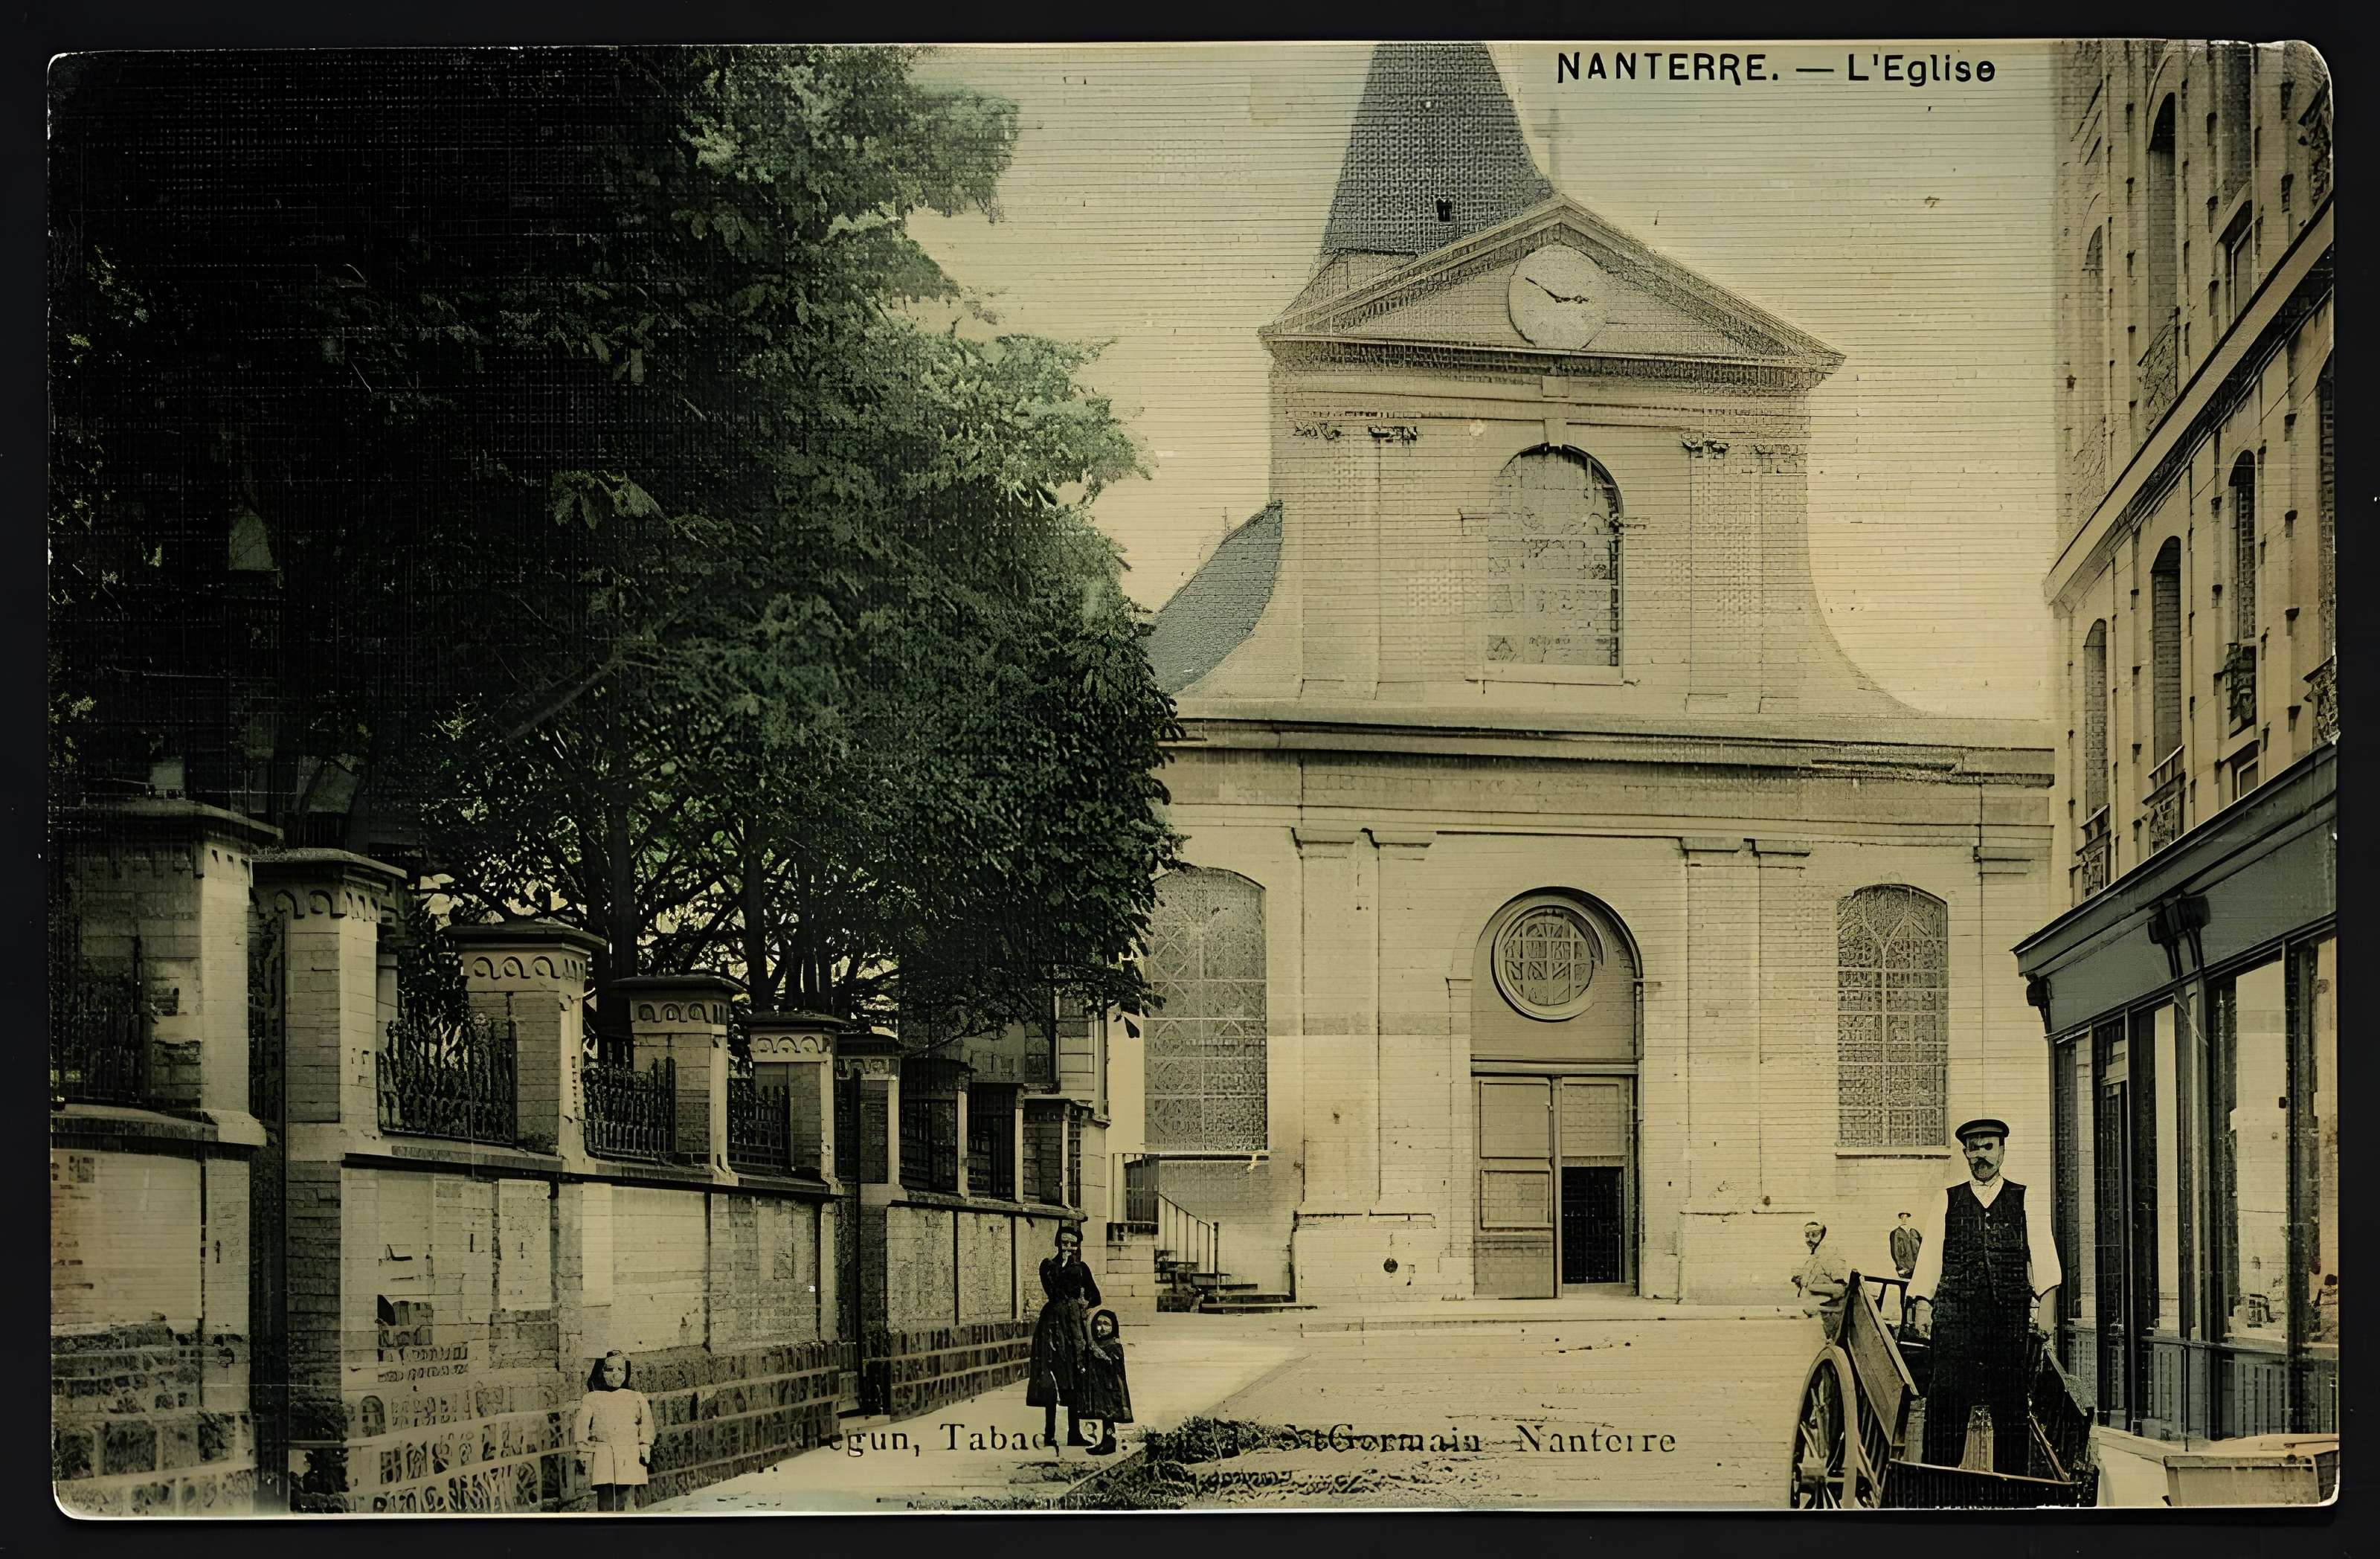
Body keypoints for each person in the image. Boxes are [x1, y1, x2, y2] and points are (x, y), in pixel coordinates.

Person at [1908, 1118, 2062, 1476]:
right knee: (1946, 1403)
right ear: (1965, 1153)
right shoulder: (1947, 1199)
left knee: (2011, 1408)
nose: (1981, 1155)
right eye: (1973, 1148)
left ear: (2003, 1151)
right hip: (1956, 1319)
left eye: (1988, 1146)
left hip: (2007, 1321)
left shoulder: (2025, 1198)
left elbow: (2044, 1256)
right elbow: (1930, 1255)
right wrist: (1922, 1304)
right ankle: (1940, 1491)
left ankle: (2012, 1496)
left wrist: (2047, 1312)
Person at [1026, 1224, 1101, 1456]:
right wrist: (1064, 1265)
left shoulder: (1083, 1268)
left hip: (1073, 1328)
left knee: (1075, 1375)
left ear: (1078, 1245)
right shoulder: (1049, 1266)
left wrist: (1083, 1306)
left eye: (1073, 1243)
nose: (1068, 1247)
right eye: (1064, 1242)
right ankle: (1049, 1433)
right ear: (1058, 1243)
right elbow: (1052, 1288)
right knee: (1049, 1374)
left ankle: (1074, 1432)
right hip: (1051, 1324)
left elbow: (1095, 1296)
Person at [573, 1351, 653, 1511]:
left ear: (627, 1372)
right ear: (601, 1372)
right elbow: (582, 1426)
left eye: (620, 1370)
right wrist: (582, 1451)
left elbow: (646, 1423)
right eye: (609, 1370)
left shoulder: (636, 1397)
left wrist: (645, 1444)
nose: (615, 1375)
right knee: (606, 1499)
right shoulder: (592, 1398)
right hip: (604, 1454)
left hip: (629, 1452)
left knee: (627, 1497)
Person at [1077, 1308, 1135, 1456]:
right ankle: (1105, 1441)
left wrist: (1097, 1351)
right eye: (1098, 1324)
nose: (1101, 1328)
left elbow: (1111, 1362)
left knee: (1110, 1416)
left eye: (1106, 1324)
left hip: (1111, 1387)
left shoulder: (1114, 1346)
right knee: (1104, 1416)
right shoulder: (1099, 1344)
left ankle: (1110, 1442)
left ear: (1113, 1326)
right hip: (1101, 1387)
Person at [1792, 1221, 1850, 1332]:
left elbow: (1840, 1288)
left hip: (1829, 1315)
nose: (1809, 1239)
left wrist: (1811, 1287)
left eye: (1814, 1235)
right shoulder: (1815, 1257)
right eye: (1807, 1235)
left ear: (1823, 1235)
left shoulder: (1828, 1255)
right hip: (1816, 1317)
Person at [1890, 1211, 1923, 1281]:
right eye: (1902, 1216)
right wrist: (1901, 1267)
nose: (1905, 1219)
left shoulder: (1915, 1232)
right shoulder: (1895, 1233)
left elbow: (1922, 1249)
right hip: (1904, 1270)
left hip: (1918, 1269)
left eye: (1907, 1217)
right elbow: (1895, 1252)